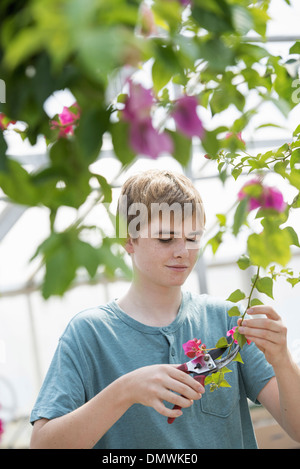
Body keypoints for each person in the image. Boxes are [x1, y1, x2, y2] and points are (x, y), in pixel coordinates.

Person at [30, 169, 300, 449]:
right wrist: (126, 390)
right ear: (128, 240)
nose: (183, 251)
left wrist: (282, 360)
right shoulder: (89, 335)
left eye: (193, 237)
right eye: (166, 238)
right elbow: (42, 445)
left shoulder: (227, 320)